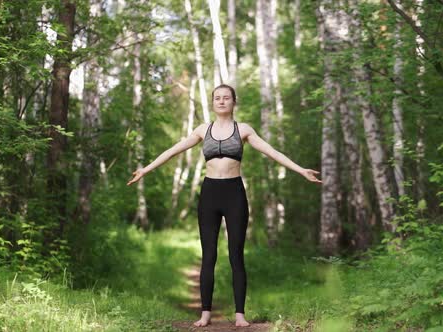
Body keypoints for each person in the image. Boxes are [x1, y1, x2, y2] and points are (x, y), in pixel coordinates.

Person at [126, 84, 321, 328]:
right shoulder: (202, 130)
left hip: (234, 194)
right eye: (217, 98)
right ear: (213, 102)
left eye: (226, 98)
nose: (221, 101)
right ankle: (205, 313)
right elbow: (173, 150)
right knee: (208, 256)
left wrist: (301, 170)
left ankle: (240, 315)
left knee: (236, 255)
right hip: (209, 194)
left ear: (233, 102)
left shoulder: (244, 130)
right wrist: (145, 169)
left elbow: (272, 152)